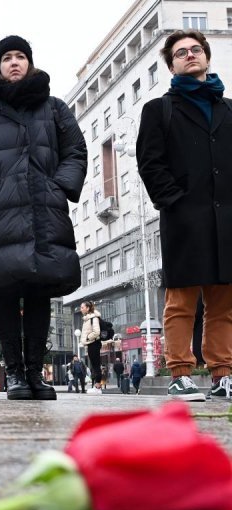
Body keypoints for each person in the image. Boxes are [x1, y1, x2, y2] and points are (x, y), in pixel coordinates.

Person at [0, 36, 87, 400]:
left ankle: (34, 373)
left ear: (30, 62)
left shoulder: (55, 108)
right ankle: (13, 372)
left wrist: (58, 186)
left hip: (45, 210)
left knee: (40, 289)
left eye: (20, 57)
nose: (14, 62)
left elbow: (75, 151)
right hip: (0, 213)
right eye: (7, 57)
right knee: (5, 291)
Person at [137, 29, 232, 402]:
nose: (189, 55)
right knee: (181, 300)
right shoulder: (159, 109)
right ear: (172, 64)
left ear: (207, 56)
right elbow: (150, 162)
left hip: (226, 219)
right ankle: (180, 372)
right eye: (181, 53)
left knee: (223, 301)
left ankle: (224, 374)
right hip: (184, 216)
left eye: (195, 50)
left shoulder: (229, 109)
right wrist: (172, 201)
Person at [80, 301, 103, 390]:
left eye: (82, 307)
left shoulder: (94, 318)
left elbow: (96, 332)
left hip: (94, 343)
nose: (81, 309)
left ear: (88, 308)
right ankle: (97, 385)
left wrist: (88, 338)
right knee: (94, 364)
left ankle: (98, 386)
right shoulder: (87, 319)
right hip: (91, 344)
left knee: (96, 365)